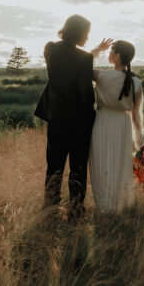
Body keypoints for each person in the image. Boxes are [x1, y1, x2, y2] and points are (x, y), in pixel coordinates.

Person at [36, 15, 112, 221]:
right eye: (86, 33)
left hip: (56, 119)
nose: (87, 37)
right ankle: (76, 211)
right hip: (79, 121)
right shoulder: (84, 59)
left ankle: (49, 209)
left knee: (54, 166)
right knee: (78, 167)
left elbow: (69, 62)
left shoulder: (50, 49)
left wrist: (94, 50)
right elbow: (85, 94)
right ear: (79, 32)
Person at [89, 40, 144, 214]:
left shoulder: (102, 76)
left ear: (118, 56)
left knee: (101, 163)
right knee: (120, 164)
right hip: (123, 125)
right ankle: (118, 204)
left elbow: (82, 64)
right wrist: (140, 141)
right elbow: (136, 115)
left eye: (111, 50)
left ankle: (104, 206)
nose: (108, 53)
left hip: (102, 121)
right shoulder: (136, 82)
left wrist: (97, 49)